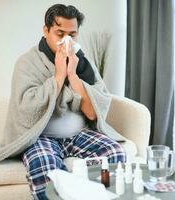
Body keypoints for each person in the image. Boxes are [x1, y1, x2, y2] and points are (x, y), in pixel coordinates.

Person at [17, 4, 126, 199]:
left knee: (114, 153)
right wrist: (59, 76)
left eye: (72, 35)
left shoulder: (84, 63)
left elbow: (93, 113)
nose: (66, 41)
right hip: (42, 136)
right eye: (60, 34)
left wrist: (73, 75)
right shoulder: (27, 62)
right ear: (46, 30)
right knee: (43, 165)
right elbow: (26, 110)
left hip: (79, 134)